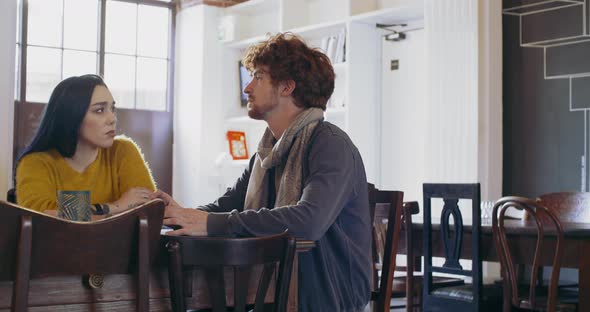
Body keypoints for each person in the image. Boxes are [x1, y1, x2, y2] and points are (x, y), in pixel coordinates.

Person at [152, 33, 371, 312]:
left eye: (258, 76)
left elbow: (308, 221)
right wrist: (179, 216)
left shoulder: (329, 144)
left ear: (287, 87)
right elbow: (228, 205)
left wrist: (209, 222)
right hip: (277, 290)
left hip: (328, 297)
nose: (247, 88)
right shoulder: (267, 151)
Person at [16, 74, 156, 215]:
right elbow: (42, 214)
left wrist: (78, 213)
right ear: (71, 116)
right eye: (99, 110)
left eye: (112, 109)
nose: (112, 119)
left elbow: (148, 209)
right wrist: (116, 206)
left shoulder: (123, 150)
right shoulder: (35, 163)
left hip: (119, 238)